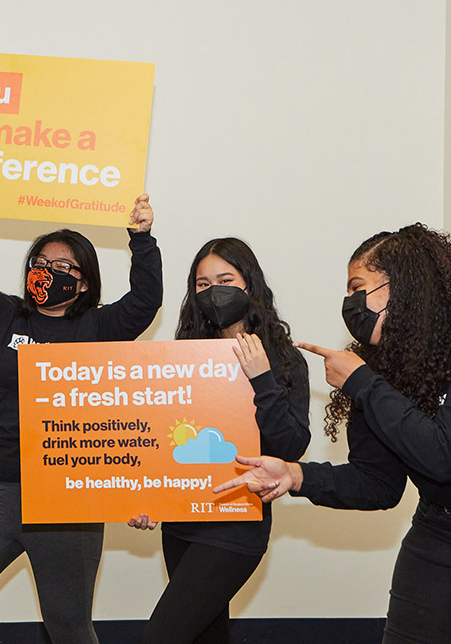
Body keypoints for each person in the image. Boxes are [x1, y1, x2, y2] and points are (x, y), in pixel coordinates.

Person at [215, 223, 451, 644]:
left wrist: (363, 383)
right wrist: (295, 475)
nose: (350, 303)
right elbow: (378, 485)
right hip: (443, 528)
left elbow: (445, 455)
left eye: (359, 287)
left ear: (408, 286)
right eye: (347, 292)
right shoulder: (383, 367)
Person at [0, 185, 163, 644]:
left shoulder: (99, 326)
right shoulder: (5, 315)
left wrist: (141, 238)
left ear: (83, 282)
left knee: (68, 626)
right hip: (1, 487)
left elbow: (145, 302)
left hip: (71, 499)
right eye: (40, 264)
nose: (47, 272)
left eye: (63, 266)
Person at [127, 238, 310, 644]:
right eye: (203, 284)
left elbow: (291, 446)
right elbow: (163, 440)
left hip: (237, 524)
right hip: (181, 521)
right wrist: (148, 498)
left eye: (225, 279)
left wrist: (261, 377)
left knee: (161, 636)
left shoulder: (282, 358)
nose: (214, 292)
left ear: (250, 285)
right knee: (205, 635)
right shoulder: (185, 357)